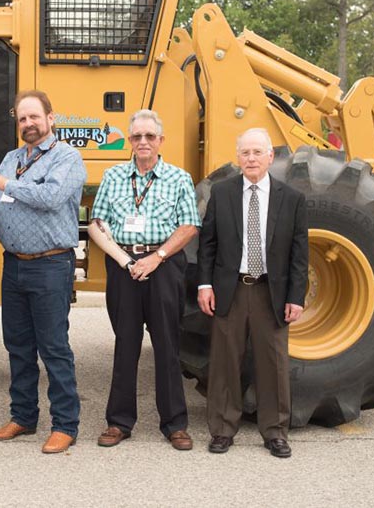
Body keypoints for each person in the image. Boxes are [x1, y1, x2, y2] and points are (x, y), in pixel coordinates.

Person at [0, 90, 86, 454]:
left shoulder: (66, 157)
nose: (28, 124)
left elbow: (49, 197)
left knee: (54, 347)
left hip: (51, 265)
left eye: (35, 116)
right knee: (18, 346)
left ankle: (65, 424)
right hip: (14, 264)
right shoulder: (11, 158)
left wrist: (1, 182)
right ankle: (23, 416)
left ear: (51, 118)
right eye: (22, 118)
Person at [87, 109, 199, 451]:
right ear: (130, 142)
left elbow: (189, 225)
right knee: (125, 345)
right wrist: (126, 261)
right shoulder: (113, 176)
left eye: (150, 136)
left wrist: (155, 258)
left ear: (160, 141)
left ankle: (175, 423)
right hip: (124, 268)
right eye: (137, 137)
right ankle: (119, 422)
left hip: (163, 267)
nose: (143, 142)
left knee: (167, 345)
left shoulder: (179, 178)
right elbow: (96, 223)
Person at [197, 127, 308, 458]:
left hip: (269, 293)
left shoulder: (292, 199)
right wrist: (205, 285)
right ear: (237, 156)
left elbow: (299, 255)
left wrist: (295, 297)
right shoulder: (223, 193)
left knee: (272, 364)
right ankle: (222, 430)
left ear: (270, 156)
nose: (251, 158)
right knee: (224, 362)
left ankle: (275, 431)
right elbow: (209, 244)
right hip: (230, 290)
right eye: (245, 152)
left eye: (258, 152)